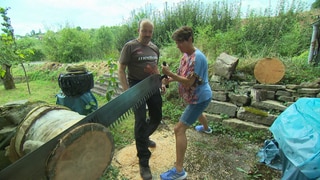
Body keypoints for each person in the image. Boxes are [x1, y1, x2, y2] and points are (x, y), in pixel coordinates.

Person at [160, 26, 212, 180]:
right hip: (196, 98)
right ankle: (206, 128)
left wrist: (170, 74)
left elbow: (189, 83)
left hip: (199, 98)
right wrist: (168, 79)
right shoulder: (185, 55)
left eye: (180, 42)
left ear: (189, 39)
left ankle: (179, 171)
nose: (177, 45)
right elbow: (181, 75)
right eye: (176, 42)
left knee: (179, 129)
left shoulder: (198, 58)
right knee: (198, 114)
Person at [118, 19, 165, 180]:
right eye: (144, 31)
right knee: (140, 120)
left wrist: (161, 83)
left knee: (157, 116)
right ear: (139, 30)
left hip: (152, 85)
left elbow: (156, 68)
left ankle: (142, 137)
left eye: (150, 32)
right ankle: (143, 162)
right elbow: (121, 69)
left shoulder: (154, 48)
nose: (147, 34)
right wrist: (127, 92)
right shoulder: (130, 46)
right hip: (136, 86)